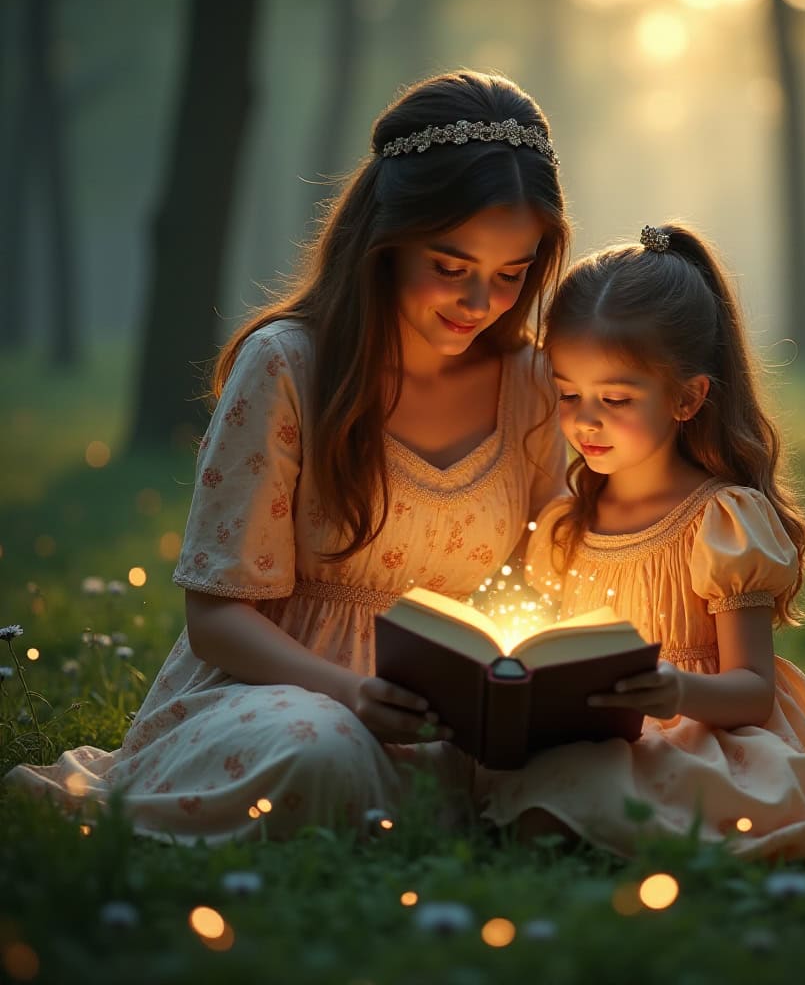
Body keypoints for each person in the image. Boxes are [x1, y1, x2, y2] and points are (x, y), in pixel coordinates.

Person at [6, 70, 570, 843]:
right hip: (275, 691)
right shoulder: (289, 365)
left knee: (586, 763)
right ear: (387, 240)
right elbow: (217, 619)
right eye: (451, 266)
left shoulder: (532, 383)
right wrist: (352, 691)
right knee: (323, 751)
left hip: (443, 708)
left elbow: (554, 577)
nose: (480, 304)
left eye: (512, 276)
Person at [480, 223, 805, 859]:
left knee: (582, 793)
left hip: (711, 738)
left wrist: (675, 690)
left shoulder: (721, 519)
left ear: (687, 397)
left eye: (615, 397)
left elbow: (752, 690)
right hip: (601, 736)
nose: (585, 419)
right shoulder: (565, 526)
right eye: (568, 393)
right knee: (525, 780)